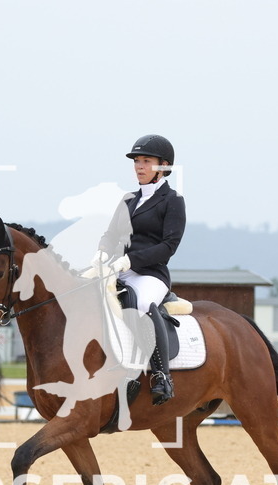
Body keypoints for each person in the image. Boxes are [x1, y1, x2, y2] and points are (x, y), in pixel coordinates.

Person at [94, 134, 185, 405]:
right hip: (118, 269)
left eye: (146, 161)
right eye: (137, 161)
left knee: (142, 303)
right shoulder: (128, 199)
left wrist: (131, 261)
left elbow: (169, 246)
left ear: (163, 166)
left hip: (151, 274)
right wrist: (102, 252)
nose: (139, 166)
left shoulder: (173, 200)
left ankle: (161, 375)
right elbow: (111, 235)